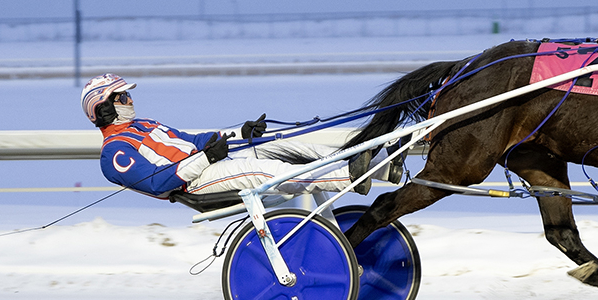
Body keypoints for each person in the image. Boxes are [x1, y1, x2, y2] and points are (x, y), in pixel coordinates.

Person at [81, 73, 400, 200]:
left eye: (127, 95)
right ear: (104, 108)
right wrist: (207, 157)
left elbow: (193, 139)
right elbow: (158, 182)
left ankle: (377, 168)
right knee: (267, 173)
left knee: (282, 145)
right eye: (121, 97)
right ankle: (349, 176)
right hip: (195, 184)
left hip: (210, 165)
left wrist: (240, 132)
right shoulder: (115, 154)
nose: (130, 101)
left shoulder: (145, 125)